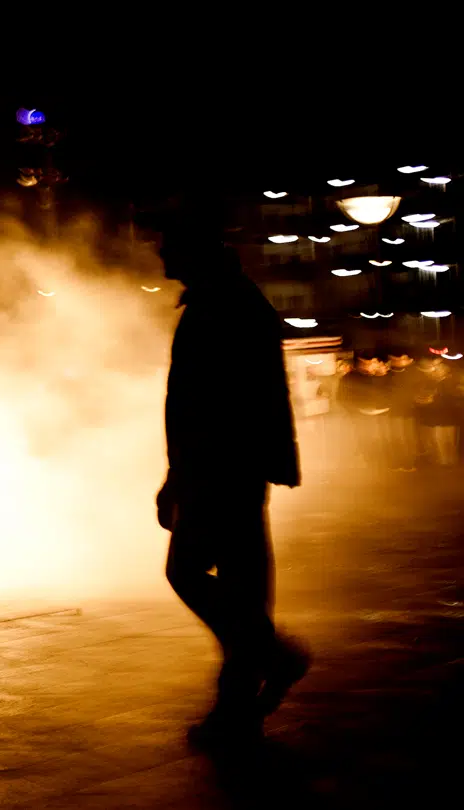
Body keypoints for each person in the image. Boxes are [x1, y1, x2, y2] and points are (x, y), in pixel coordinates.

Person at [153, 229, 310, 748]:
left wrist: (180, 476)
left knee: (187, 570)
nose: (160, 250)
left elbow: (209, 404)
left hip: (220, 467)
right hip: (230, 466)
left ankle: (268, 656)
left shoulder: (222, 305)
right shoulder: (226, 299)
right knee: (240, 584)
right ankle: (238, 707)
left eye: (168, 242)